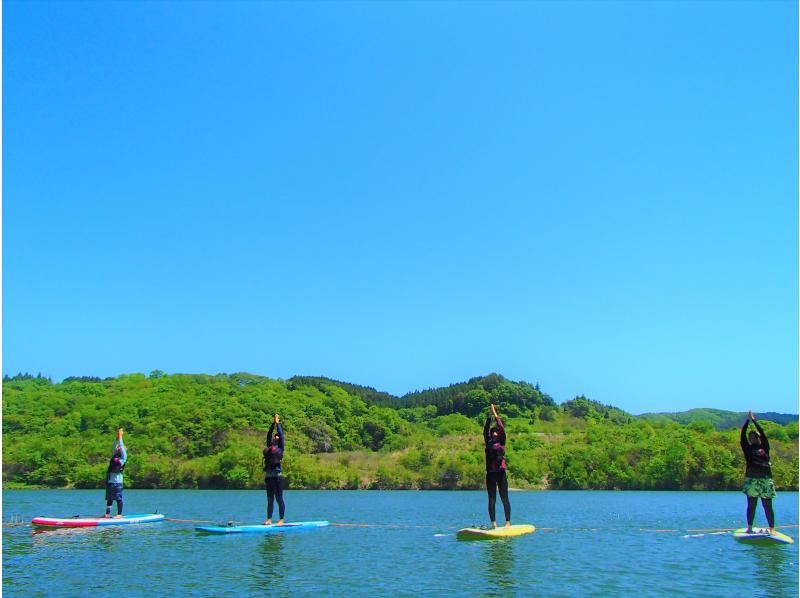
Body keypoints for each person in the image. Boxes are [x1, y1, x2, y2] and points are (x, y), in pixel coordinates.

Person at [740, 410, 776, 534]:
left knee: (767, 504)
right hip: (751, 479)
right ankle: (749, 528)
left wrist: (754, 420)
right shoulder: (748, 449)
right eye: (750, 437)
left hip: (766, 478)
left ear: (758, 438)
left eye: (754, 436)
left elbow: (763, 434)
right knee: (752, 504)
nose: (752, 438)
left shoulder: (764, 447)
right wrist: (747, 421)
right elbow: (742, 436)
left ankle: (772, 529)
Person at [484, 403, 511, 528]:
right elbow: (486, 429)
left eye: (496, 432)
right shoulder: (488, 441)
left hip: (501, 473)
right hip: (490, 474)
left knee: (504, 498)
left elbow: (501, 427)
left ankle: (507, 523)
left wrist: (495, 413)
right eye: (493, 432)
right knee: (492, 499)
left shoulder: (502, 441)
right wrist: (489, 416)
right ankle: (494, 524)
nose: (494, 433)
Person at [263, 413, 285, 525]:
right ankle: (269, 519)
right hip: (269, 476)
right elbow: (269, 434)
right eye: (275, 437)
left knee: (279, 498)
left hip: (277, 476)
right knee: (270, 499)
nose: (276, 437)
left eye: (277, 437)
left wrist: (278, 423)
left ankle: (281, 519)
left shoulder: (281, 448)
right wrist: (273, 424)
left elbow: (281, 435)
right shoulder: (269, 446)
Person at [104, 428, 127, 518]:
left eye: (119, 448)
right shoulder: (114, 455)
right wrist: (117, 435)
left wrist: (120, 435)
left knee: (118, 498)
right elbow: (115, 444)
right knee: (109, 499)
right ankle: (107, 513)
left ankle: (119, 514)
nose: (118, 447)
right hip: (110, 481)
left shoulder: (123, 458)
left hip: (117, 482)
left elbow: (120, 445)